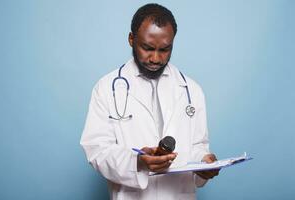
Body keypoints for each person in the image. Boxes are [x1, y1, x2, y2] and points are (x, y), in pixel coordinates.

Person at [80, 3, 219, 200]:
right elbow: (97, 151)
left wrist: (204, 162)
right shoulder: (106, 88)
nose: (155, 58)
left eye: (164, 49)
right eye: (147, 48)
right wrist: (137, 162)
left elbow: (197, 145)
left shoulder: (191, 90)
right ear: (131, 39)